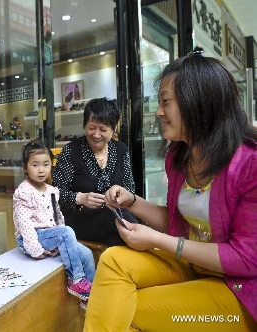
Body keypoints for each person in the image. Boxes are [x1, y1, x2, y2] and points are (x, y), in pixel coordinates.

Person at [85, 48, 257, 331]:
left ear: (199, 102)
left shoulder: (249, 163)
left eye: (166, 102)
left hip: (237, 288)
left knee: (127, 307)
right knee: (113, 260)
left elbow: (246, 259)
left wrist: (157, 239)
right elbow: (179, 223)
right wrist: (132, 201)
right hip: (190, 264)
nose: (159, 111)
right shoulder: (179, 156)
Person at [13, 142, 95, 306]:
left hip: (52, 235)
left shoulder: (52, 190)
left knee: (87, 254)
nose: (41, 170)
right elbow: (24, 224)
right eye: (35, 165)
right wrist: (35, 250)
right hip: (33, 238)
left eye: (46, 164)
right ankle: (76, 279)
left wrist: (61, 242)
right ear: (25, 167)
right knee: (66, 232)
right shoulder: (23, 191)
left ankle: (89, 296)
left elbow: (58, 217)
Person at [52, 97, 137, 246]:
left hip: (114, 219)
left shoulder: (121, 150)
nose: (96, 134)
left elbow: (130, 188)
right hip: (79, 218)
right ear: (85, 125)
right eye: (92, 128)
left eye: (103, 129)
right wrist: (80, 198)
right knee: (121, 224)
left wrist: (119, 196)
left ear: (113, 128)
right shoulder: (71, 151)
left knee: (116, 240)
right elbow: (54, 193)